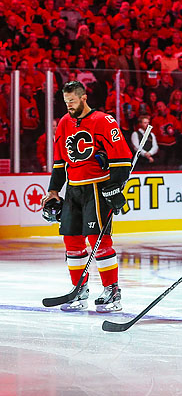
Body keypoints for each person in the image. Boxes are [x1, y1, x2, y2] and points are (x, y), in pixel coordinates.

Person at [40, 81, 133, 312]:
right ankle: (78, 290)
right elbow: (61, 161)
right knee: (72, 241)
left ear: (83, 98)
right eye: (65, 102)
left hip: (97, 189)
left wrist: (114, 187)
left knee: (98, 241)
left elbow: (122, 159)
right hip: (73, 189)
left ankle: (112, 291)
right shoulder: (63, 123)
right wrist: (54, 190)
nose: (69, 105)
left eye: (72, 101)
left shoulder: (103, 120)